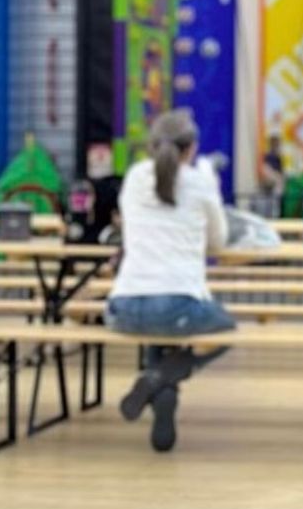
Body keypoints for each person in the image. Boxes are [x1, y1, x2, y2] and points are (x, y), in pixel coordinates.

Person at [106, 110, 236, 451]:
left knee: (159, 329)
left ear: (151, 145)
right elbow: (219, 242)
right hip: (177, 302)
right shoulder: (200, 182)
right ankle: (160, 377)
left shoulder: (134, 177)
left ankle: (163, 391)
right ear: (191, 148)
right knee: (227, 329)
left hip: (122, 308)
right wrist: (210, 184)